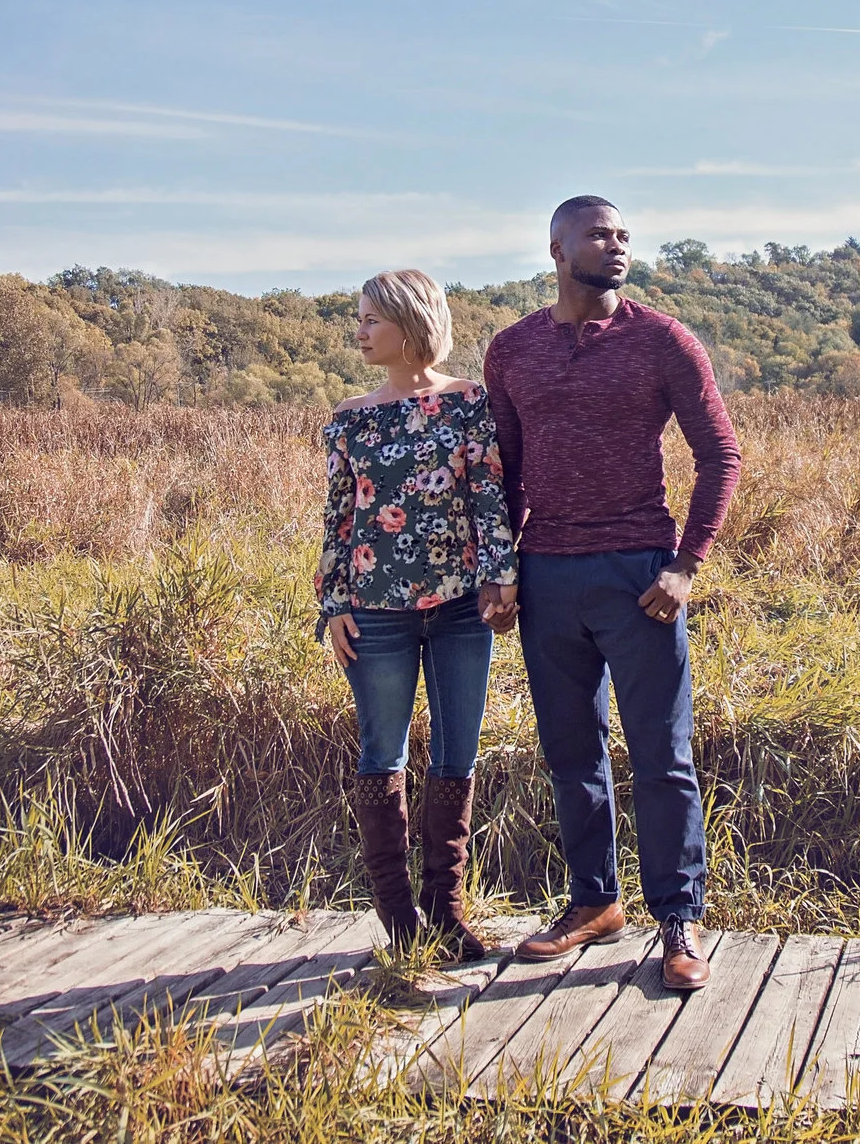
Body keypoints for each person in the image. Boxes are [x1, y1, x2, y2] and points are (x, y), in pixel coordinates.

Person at [480, 198, 742, 992]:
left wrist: (686, 564)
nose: (617, 245)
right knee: (570, 752)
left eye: (624, 235)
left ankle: (680, 918)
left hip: (640, 575)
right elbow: (504, 472)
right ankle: (593, 903)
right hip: (548, 574)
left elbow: (720, 453)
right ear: (557, 248)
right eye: (600, 234)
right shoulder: (513, 349)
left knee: (663, 756)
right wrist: (501, 567)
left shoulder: (661, 339)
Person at [316, 268, 518, 960]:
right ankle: (400, 922)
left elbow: (489, 497)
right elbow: (339, 518)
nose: (360, 329)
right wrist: (333, 604)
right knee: (383, 755)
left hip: (462, 607)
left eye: (371, 318)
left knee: (458, 753)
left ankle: (447, 909)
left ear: (409, 323)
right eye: (360, 317)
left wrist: (500, 578)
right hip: (376, 615)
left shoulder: (468, 403)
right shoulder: (350, 416)